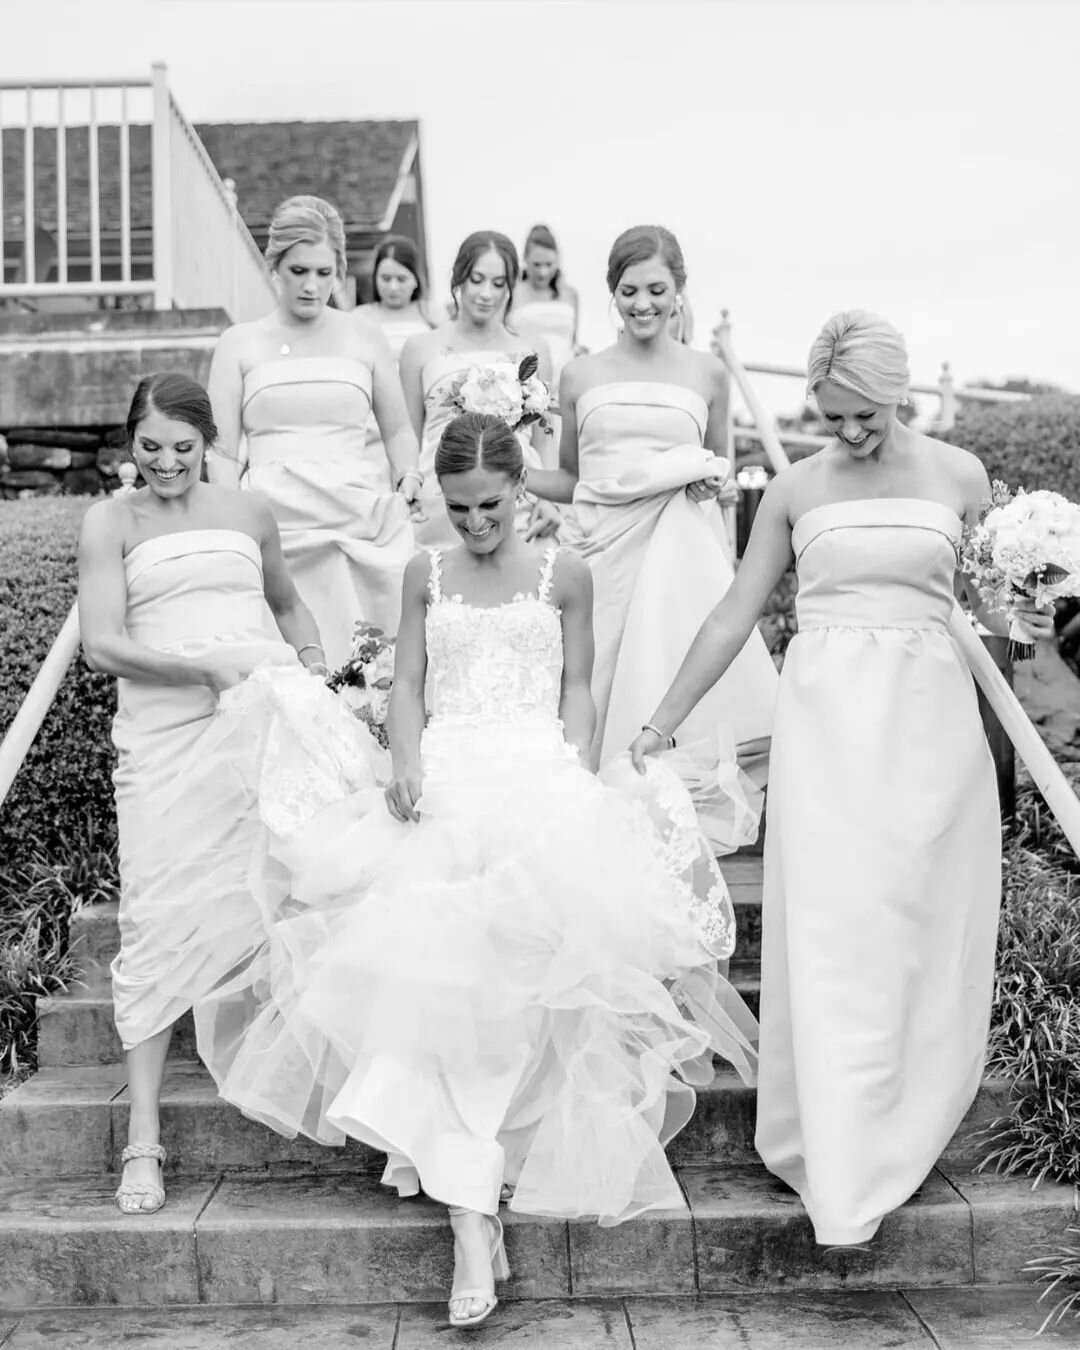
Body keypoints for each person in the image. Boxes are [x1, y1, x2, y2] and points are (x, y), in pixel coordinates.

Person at [194, 412, 759, 1329]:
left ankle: (468, 1199)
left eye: (490, 505)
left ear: (520, 488)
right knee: (434, 993)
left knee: (500, 996)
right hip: (446, 786)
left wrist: (576, 773)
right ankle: (468, 1216)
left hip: (538, 784)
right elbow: (408, 683)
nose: (475, 523)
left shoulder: (563, 574)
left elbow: (578, 685)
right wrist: (405, 759)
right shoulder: (426, 571)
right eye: (459, 508)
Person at [629, 310, 1056, 1248]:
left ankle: (898, 1115)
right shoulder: (791, 488)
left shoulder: (960, 476)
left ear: (896, 394)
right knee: (832, 928)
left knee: (914, 922)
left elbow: (989, 613)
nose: (849, 434)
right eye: (831, 418)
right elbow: (734, 612)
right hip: (824, 727)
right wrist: (660, 720)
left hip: (931, 727)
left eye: (864, 416)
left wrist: (1032, 605)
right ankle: (834, 1140)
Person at [76, 371, 337, 1217]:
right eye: (149, 448)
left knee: (306, 891)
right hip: (163, 741)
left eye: (183, 449)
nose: (166, 463)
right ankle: (143, 1137)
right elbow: (105, 647)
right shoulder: (109, 521)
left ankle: (337, 1090)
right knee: (154, 919)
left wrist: (323, 676)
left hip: (261, 729)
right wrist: (202, 670)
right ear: (130, 444)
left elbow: (290, 608)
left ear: (208, 443)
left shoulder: (250, 512)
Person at [527, 224, 777, 768]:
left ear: (679, 290)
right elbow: (572, 479)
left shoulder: (708, 373)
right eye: (629, 291)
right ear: (612, 293)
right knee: (593, 689)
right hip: (601, 556)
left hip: (678, 556)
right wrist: (509, 473)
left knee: (666, 687)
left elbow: (719, 469)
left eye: (656, 291)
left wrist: (718, 484)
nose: (642, 304)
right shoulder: (578, 375)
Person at [207, 195, 422, 661]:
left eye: (324, 273)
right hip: (273, 520)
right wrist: (233, 516)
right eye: (298, 271)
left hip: (355, 512)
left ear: (340, 270)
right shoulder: (237, 344)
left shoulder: (364, 335)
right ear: (275, 267)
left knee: (370, 659)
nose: (311, 286)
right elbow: (221, 452)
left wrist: (408, 475)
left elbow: (399, 430)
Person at [399, 230, 562, 544]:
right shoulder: (420, 349)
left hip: (516, 496)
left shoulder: (531, 348)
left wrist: (547, 498)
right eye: (477, 279)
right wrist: (408, 481)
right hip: (442, 494)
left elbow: (545, 439)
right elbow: (407, 433)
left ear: (510, 287)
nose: (486, 293)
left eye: (498, 283)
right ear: (459, 278)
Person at [512, 224, 582, 391]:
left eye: (549, 264)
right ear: (525, 259)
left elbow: (574, 341)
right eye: (537, 264)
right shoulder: (513, 293)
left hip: (567, 377)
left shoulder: (570, 294)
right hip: (527, 378)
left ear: (558, 260)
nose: (543, 272)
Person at [354, 234, 439, 360]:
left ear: (416, 279)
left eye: (401, 279)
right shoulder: (359, 316)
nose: (393, 287)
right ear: (375, 278)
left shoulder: (434, 313)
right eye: (386, 278)